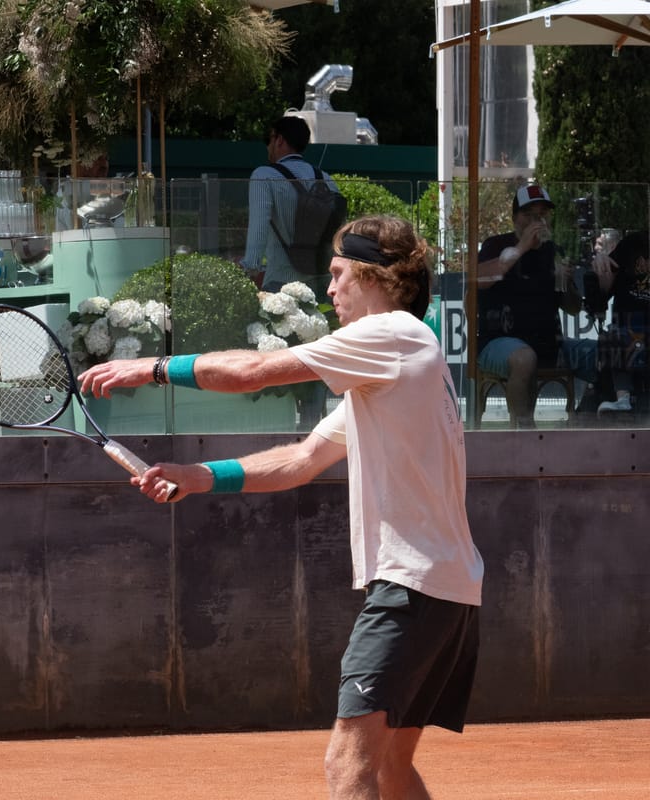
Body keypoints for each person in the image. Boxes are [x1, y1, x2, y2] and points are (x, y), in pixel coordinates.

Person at [79, 214, 484, 800]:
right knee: (391, 769)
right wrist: (198, 477)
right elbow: (302, 459)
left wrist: (154, 366)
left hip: (412, 588)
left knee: (348, 767)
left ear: (375, 277)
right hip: (447, 590)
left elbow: (255, 372)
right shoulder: (398, 364)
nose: (330, 289)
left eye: (339, 274)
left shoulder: (392, 334)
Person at [476, 184, 596, 428]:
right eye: (529, 215)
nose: (537, 221)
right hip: (498, 343)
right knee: (524, 359)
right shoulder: (497, 244)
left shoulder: (554, 251)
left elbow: (572, 308)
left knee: (606, 353)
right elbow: (478, 280)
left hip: (550, 344)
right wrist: (522, 248)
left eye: (542, 215)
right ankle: (524, 434)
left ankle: (588, 421)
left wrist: (567, 283)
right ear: (514, 219)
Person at [240, 115, 341, 299]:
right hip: (321, 284)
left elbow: (259, 227)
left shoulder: (264, 175)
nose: (267, 146)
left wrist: (248, 269)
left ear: (279, 140)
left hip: (280, 284)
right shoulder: (326, 179)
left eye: (269, 139)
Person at [591, 230, 650, 415]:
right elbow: (604, 287)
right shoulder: (632, 243)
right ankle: (623, 399)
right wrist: (600, 264)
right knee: (613, 337)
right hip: (627, 325)